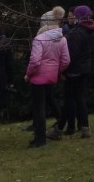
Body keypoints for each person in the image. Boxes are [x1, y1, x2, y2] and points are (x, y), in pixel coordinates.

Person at [24, 9, 70, 148]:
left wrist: (28, 74)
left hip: (38, 77)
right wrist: (57, 70)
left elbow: (35, 61)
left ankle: (40, 139)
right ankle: (52, 129)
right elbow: (66, 60)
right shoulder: (62, 39)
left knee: (39, 108)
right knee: (48, 102)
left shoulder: (40, 39)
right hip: (51, 76)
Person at [58, 5, 94, 138]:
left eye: (73, 16)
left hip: (74, 70)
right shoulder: (91, 30)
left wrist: (62, 70)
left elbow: (71, 55)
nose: (71, 18)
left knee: (70, 99)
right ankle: (83, 127)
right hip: (84, 68)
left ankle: (60, 129)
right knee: (79, 98)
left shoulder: (76, 33)